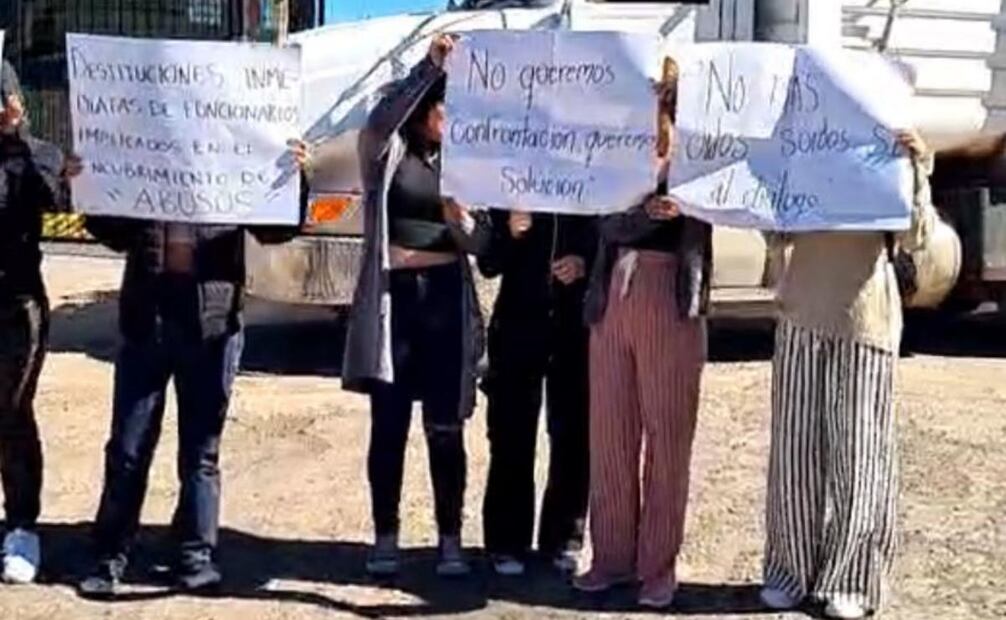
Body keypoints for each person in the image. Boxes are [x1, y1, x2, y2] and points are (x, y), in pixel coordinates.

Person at [312, 34, 490, 578]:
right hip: (394, 303)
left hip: (446, 301)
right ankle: (385, 536)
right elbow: (380, 120)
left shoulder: (469, 163)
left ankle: (450, 540)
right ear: (422, 112)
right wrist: (426, 68)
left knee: (445, 428)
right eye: (442, 110)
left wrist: (462, 219)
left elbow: (484, 247)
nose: (449, 121)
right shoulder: (386, 153)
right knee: (388, 425)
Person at [76, 179, 300, 597]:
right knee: (128, 446)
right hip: (148, 317)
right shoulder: (144, 160)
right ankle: (110, 556)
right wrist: (90, 185)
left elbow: (277, 229)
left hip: (211, 321)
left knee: (201, 450)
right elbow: (110, 231)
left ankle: (195, 556)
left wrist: (293, 179)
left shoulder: (230, 157)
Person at [759, 127, 937, 620]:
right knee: (795, 450)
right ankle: (789, 572)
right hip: (800, 313)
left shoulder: (889, 153)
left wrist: (918, 169)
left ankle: (853, 580)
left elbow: (916, 236)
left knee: (859, 454)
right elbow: (775, 229)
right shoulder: (809, 148)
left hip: (866, 318)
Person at [573, 62, 712, 609]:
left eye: (662, 98)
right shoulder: (618, 159)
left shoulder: (701, 162)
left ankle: (658, 566)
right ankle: (610, 558)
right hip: (614, 294)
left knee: (667, 437)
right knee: (610, 433)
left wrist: (677, 206)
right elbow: (605, 225)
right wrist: (646, 214)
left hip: (670, 295)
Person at [478, 209, 596, 576]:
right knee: (511, 430)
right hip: (517, 321)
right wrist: (509, 232)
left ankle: (564, 539)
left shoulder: (594, 175)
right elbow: (488, 263)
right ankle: (506, 541)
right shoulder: (512, 177)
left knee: (573, 433)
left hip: (574, 324)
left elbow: (608, 240)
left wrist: (584, 263)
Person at [0, 61, 75, 584]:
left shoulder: (36, 155)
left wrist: (19, 140)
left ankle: (22, 527)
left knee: (9, 414)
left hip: (15, 306)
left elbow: (56, 200)